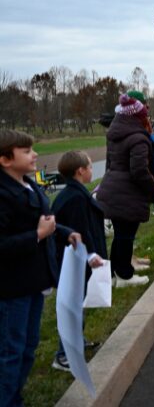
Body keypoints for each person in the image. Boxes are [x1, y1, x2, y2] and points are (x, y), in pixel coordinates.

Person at [0, 130, 81, 405]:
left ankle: (14, 396)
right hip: (12, 288)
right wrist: (37, 235)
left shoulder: (29, 184)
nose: (35, 155)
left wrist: (64, 231)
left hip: (34, 281)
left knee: (27, 348)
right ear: (5, 160)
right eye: (26, 151)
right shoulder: (3, 193)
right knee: (10, 351)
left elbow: (45, 219)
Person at [50, 151, 106, 372]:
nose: (92, 170)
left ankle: (76, 343)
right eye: (90, 166)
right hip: (72, 262)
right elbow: (79, 231)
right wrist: (90, 254)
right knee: (73, 308)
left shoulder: (75, 193)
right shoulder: (75, 198)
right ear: (80, 171)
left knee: (78, 305)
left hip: (73, 260)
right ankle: (63, 355)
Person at [96, 94, 154, 287]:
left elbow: (110, 163)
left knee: (120, 235)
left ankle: (115, 273)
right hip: (127, 192)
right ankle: (124, 274)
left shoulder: (115, 135)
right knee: (126, 236)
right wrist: (152, 188)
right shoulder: (137, 138)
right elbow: (139, 170)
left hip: (113, 188)